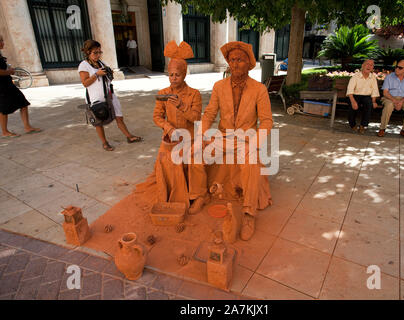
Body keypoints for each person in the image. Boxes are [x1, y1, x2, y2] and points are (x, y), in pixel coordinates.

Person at [199, 41, 273, 241]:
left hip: (247, 139)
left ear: (249, 63)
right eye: (232, 60)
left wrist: (254, 144)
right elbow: (209, 113)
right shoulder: (219, 86)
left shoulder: (259, 90)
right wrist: (202, 135)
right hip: (223, 136)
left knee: (250, 162)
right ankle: (198, 194)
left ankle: (249, 213)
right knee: (195, 152)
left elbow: (267, 122)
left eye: (239, 60)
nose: (235, 64)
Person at [139, 40, 208, 213]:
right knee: (165, 159)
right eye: (170, 75)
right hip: (171, 138)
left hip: (190, 138)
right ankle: (170, 193)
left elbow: (196, 117)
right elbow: (157, 116)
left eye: (177, 74)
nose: (173, 78)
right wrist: (168, 128)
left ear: (184, 75)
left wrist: (181, 106)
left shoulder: (194, 94)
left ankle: (198, 196)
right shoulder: (163, 94)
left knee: (194, 159)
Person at [78, 39, 142, 151]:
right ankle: (104, 143)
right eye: (95, 52)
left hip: (109, 95)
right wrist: (96, 74)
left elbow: (107, 78)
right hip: (95, 97)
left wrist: (109, 73)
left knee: (119, 116)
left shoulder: (101, 63)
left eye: (99, 52)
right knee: (98, 121)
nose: (98, 55)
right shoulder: (84, 65)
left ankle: (129, 136)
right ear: (88, 52)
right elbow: (85, 83)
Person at [0, 35, 41, 137]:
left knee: (23, 103)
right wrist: (9, 71)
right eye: (1, 40)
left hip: (8, 84)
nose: (3, 42)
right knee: (3, 108)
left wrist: (9, 69)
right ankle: (5, 131)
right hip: (2, 87)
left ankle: (27, 127)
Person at [378, 59, 404, 139]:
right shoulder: (389, 77)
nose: (396, 69)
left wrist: (401, 101)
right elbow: (385, 92)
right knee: (389, 105)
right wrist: (395, 101)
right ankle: (382, 128)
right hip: (389, 97)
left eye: (400, 68)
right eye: (396, 67)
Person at [346, 59, 380, 134]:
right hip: (354, 95)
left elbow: (375, 90)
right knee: (353, 106)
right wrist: (353, 101)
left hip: (366, 96)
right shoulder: (356, 76)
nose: (369, 66)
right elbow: (350, 90)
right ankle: (353, 124)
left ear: (372, 68)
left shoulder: (373, 77)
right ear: (363, 66)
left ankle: (363, 125)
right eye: (367, 64)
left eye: (371, 65)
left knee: (369, 104)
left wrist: (374, 101)